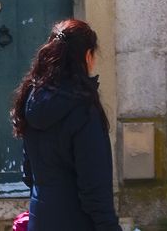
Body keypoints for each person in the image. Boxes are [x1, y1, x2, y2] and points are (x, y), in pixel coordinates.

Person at [11, 19, 120, 231]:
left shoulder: (31, 99)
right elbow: (94, 187)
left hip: (40, 218)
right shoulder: (83, 108)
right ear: (88, 56)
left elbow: (28, 173)